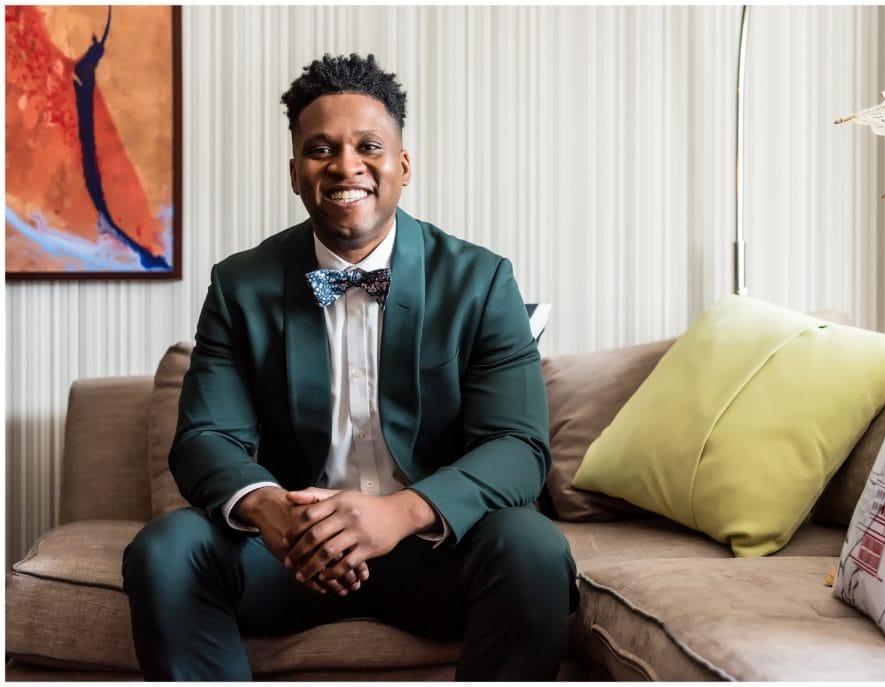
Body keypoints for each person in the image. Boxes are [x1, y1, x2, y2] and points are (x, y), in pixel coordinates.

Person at [122, 52, 578, 681]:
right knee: (166, 550)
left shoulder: (480, 280)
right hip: (290, 557)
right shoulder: (240, 284)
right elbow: (204, 438)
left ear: (403, 165)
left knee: (532, 547)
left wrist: (401, 512)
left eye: (369, 145)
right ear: (293, 171)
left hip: (433, 550)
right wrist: (270, 509)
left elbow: (519, 446)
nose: (345, 166)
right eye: (321, 148)